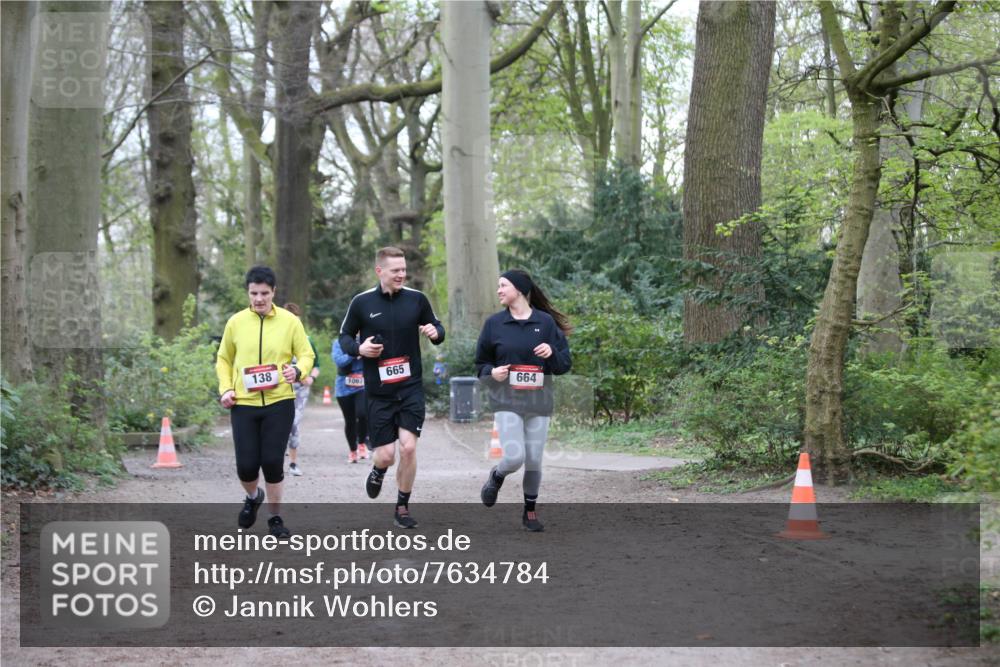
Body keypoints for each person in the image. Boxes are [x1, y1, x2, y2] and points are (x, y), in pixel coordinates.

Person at [339, 246, 445, 528]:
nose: (401, 274)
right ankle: (378, 469)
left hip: (410, 387)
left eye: (403, 269)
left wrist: (436, 332)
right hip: (378, 392)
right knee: (386, 454)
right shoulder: (361, 303)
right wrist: (359, 349)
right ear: (380, 271)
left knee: (408, 448)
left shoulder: (417, 300)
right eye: (395, 270)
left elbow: (437, 327)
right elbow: (345, 337)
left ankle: (402, 506)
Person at [216, 266, 315, 537]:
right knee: (246, 466)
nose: (259, 299)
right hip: (243, 403)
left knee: (272, 462)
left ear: (274, 292)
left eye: (264, 293)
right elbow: (224, 359)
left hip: (279, 401)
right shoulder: (235, 322)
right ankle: (253, 496)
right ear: (247, 292)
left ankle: (275, 518)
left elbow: (306, 354)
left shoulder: (289, 322)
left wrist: (298, 371)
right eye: (254, 293)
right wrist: (225, 388)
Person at [475, 269, 571, 532]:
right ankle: (497, 475)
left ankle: (529, 511)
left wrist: (551, 352)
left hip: (539, 401)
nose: (498, 291)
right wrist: (491, 372)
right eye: (498, 286)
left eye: (503, 285)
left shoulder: (546, 323)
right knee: (514, 457)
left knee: (534, 460)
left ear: (518, 289)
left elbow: (564, 364)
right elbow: (481, 364)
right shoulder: (494, 324)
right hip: (506, 399)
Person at [283, 302, 321, 476]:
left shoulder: (306, 340)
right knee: (277, 425)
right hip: (279, 389)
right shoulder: (275, 340)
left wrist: (311, 377)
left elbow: (316, 364)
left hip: (299, 390)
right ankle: (274, 461)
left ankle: (292, 463)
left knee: (293, 423)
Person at [331, 337, 370, 463]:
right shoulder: (338, 342)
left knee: (362, 414)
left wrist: (365, 350)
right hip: (344, 386)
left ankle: (362, 444)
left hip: (362, 384)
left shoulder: (366, 341)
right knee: (350, 420)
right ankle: (353, 450)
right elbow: (339, 361)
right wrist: (356, 353)